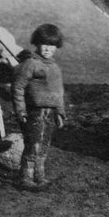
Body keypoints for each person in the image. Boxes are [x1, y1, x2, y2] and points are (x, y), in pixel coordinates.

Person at [11, 23, 66, 192]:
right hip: (34, 112)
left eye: (52, 45)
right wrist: (20, 111)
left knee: (44, 145)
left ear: (56, 47)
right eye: (44, 44)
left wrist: (60, 112)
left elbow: (59, 92)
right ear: (36, 44)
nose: (47, 49)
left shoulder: (55, 67)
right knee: (32, 145)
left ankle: (40, 176)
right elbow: (18, 87)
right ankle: (25, 177)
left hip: (50, 113)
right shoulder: (30, 64)